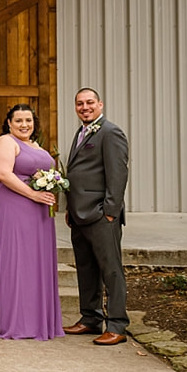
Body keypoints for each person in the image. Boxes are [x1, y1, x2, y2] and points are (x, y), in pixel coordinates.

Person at [0, 104, 64, 341]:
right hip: (15, 208)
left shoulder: (36, 145)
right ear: (9, 123)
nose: (24, 125)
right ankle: (17, 321)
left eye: (28, 120)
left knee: (35, 264)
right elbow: (4, 174)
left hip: (39, 213)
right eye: (18, 120)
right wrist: (35, 194)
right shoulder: (6, 142)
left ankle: (38, 319)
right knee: (17, 262)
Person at [63, 88, 131, 346]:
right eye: (79, 103)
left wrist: (111, 212)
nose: (84, 107)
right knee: (86, 268)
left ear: (100, 104)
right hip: (79, 215)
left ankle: (117, 325)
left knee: (111, 270)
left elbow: (118, 174)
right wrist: (70, 209)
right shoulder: (81, 132)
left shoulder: (110, 132)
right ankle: (90, 318)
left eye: (90, 102)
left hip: (102, 216)